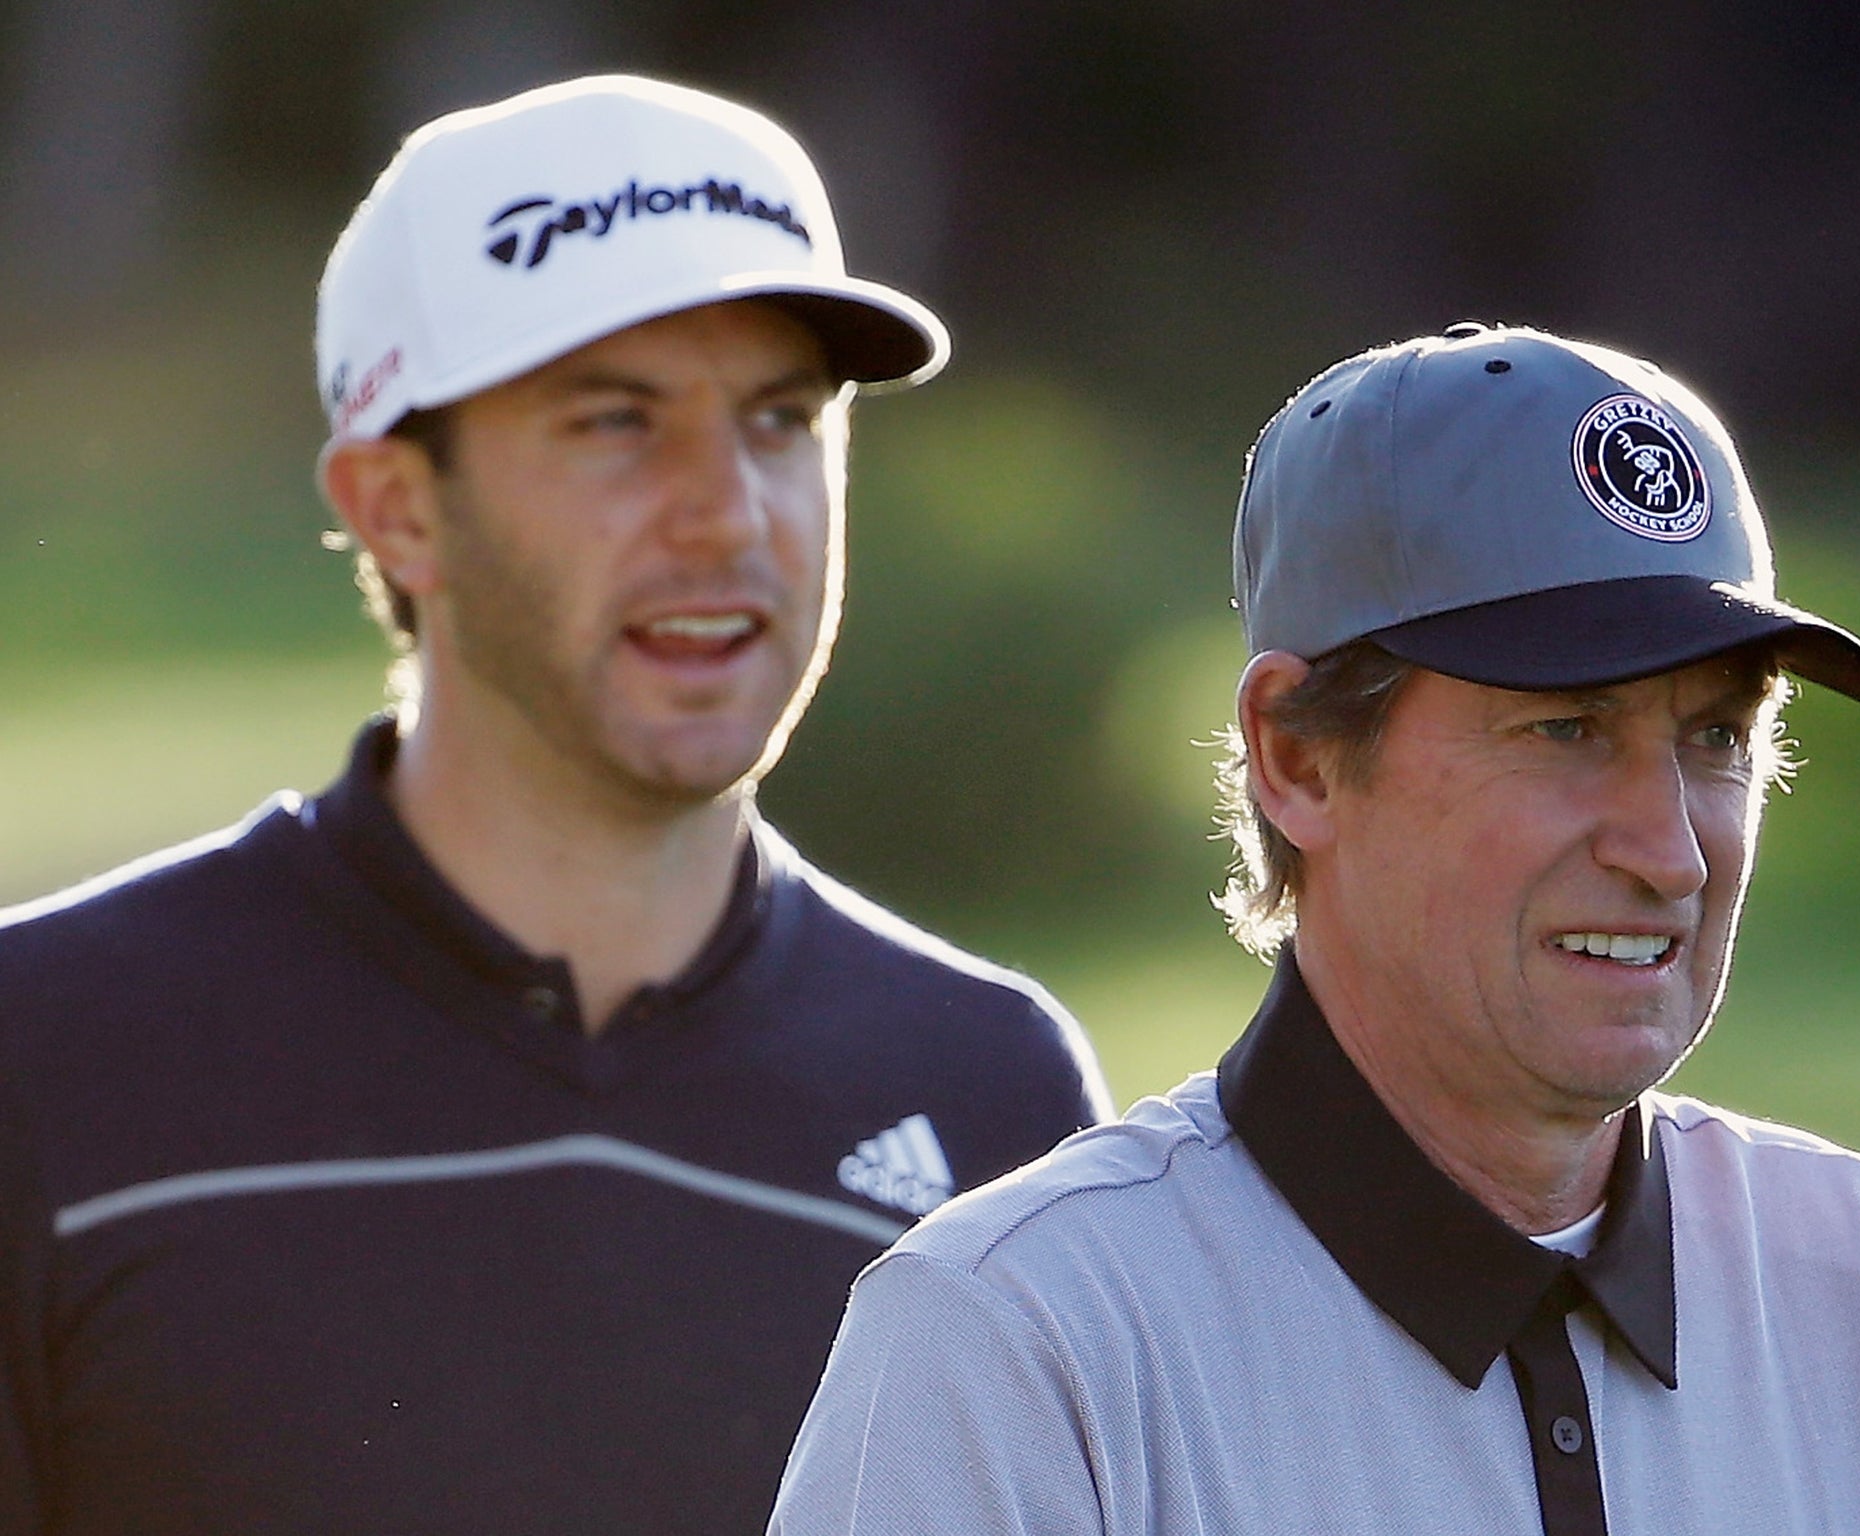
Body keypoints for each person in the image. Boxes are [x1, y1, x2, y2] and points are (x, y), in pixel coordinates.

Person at [0, 75, 1110, 1535]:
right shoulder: (47, 1056)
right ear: (397, 505)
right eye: (616, 423)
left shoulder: (997, 1095)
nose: (728, 510)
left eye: (779, 421)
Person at [770, 324, 1860, 1534]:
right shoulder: (1018, 1344)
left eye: (1714, 735)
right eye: (1565, 728)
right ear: (1297, 760)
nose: (1666, 850)